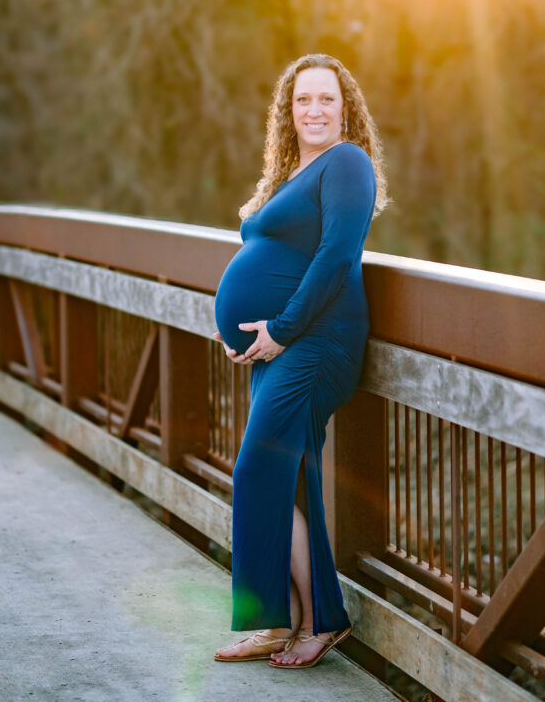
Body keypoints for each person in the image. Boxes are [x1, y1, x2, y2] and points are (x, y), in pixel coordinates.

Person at [212, 52, 388, 669]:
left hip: (316, 343)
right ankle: (274, 622)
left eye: (327, 100)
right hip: (282, 345)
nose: (314, 110)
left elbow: (338, 257)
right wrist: (245, 331)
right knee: (287, 476)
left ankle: (317, 619)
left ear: (346, 111)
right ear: (289, 112)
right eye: (303, 100)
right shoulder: (292, 175)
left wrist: (281, 330)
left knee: (258, 469)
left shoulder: (347, 163)